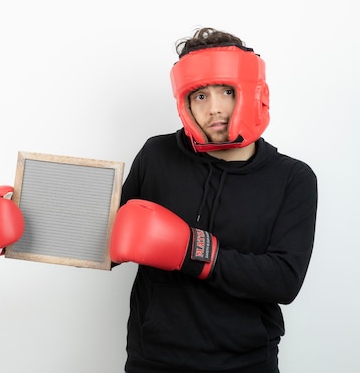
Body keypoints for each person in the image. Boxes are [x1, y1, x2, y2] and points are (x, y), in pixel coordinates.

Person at [108, 27, 318, 373]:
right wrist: (28, 224)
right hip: (153, 360)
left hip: (246, 363)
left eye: (226, 91)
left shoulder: (292, 178)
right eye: (200, 96)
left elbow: (284, 280)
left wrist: (192, 250)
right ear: (185, 103)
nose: (215, 108)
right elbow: (111, 242)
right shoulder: (157, 154)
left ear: (253, 94)